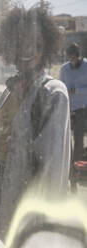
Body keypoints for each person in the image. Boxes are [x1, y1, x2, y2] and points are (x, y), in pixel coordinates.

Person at [0, 3, 71, 242]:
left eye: (36, 43)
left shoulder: (52, 94)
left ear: (46, 47)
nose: (28, 50)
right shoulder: (10, 91)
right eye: (21, 42)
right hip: (2, 210)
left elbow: (52, 174)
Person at [59, 43, 87, 190]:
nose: (72, 59)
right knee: (66, 141)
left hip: (82, 109)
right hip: (68, 109)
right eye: (69, 57)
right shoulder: (64, 69)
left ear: (78, 55)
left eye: (74, 56)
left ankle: (77, 172)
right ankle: (69, 171)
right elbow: (60, 86)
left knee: (78, 142)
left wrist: (77, 90)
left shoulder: (86, 66)